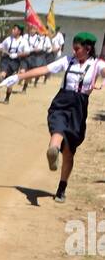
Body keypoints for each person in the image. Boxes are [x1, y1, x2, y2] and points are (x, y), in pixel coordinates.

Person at [7, 32, 105, 201]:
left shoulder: (97, 64)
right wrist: (18, 77)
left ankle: (62, 187)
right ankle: (53, 151)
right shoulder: (67, 60)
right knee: (57, 127)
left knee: (69, 151)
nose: (74, 51)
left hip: (79, 106)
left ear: (88, 48)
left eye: (77, 48)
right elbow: (45, 69)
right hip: (62, 101)